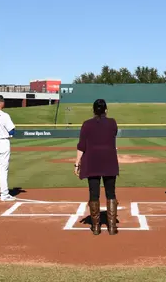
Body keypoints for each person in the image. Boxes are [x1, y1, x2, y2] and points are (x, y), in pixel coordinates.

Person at [74, 99, 119, 235]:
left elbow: (82, 145)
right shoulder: (112, 123)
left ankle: (96, 227)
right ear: (106, 109)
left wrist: (77, 163)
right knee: (110, 192)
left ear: (93, 110)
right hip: (109, 160)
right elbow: (113, 134)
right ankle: (112, 227)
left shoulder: (87, 124)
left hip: (92, 162)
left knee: (94, 193)